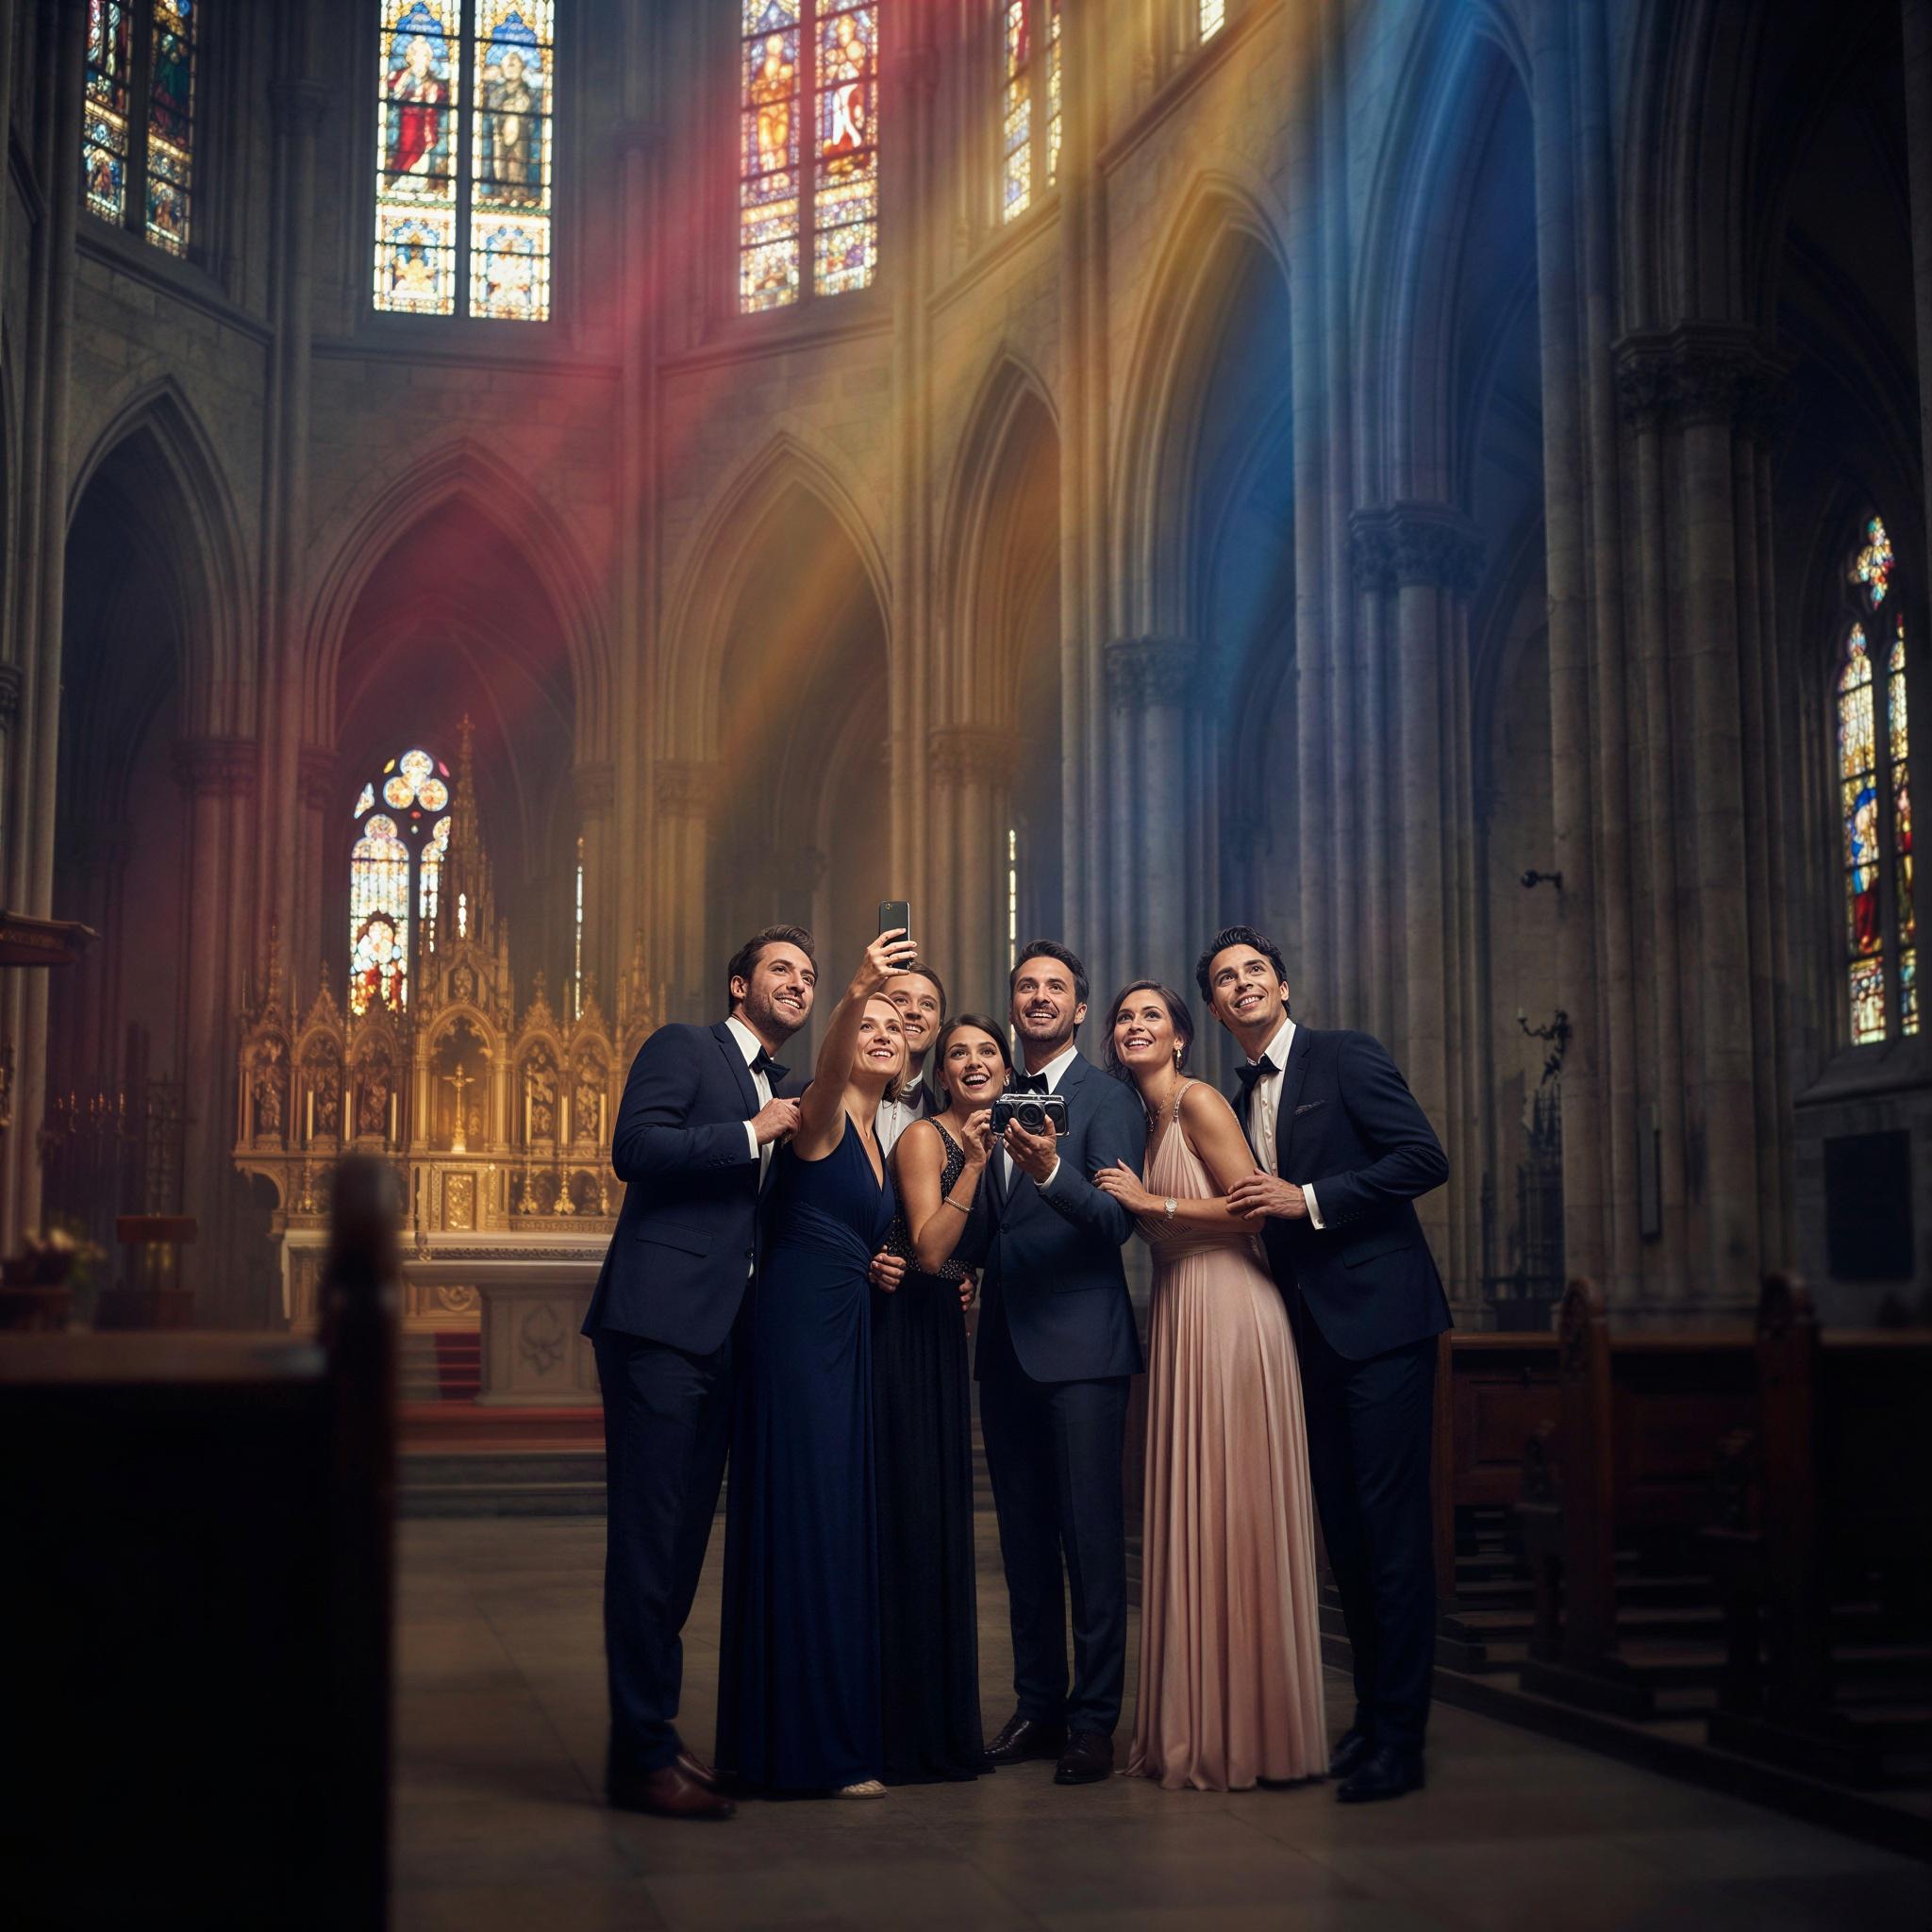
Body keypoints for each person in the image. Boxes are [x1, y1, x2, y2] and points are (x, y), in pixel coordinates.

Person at [1198, 925, 1450, 1804]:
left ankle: (1401, 1741)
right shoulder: (1234, 1095)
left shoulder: (1345, 1056)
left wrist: (1303, 1200)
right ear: (1217, 1007)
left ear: (1284, 985)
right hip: (1310, 1336)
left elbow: (1423, 1158)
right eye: (1225, 980)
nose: (1242, 986)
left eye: (1254, 971)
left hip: (1383, 1326)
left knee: (1389, 1536)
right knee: (1345, 1536)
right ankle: (1373, 1720)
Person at [581, 924, 816, 1822]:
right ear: (737, 985)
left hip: (730, 1337)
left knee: (679, 1552)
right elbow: (633, 1149)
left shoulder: (796, 1088)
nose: (795, 984)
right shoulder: (686, 1048)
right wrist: (748, 1132)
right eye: (780, 970)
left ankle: (648, 1741)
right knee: (650, 1543)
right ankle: (642, 1758)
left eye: (806, 975)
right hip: (660, 1326)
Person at [1092, 982, 1326, 1791]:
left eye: (1151, 1015)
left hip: (1229, 1309)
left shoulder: (1198, 1105)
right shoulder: (1145, 1117)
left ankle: (1252, 1733)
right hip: (1180, 1308)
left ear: (1182, 1037)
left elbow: (1256, 1212)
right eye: (1123, 1017)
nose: (1134, 1026)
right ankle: (1199, 1721)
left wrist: (1148, 1198)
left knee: (1234, 1508)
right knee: (1199, 1510)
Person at [716, 927, 918, 1799]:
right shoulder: (821, 1110)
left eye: (894, 1026)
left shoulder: (882, 1141)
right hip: (798, 1334)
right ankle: (813, 1751)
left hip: (848, 1331)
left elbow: (864, 1230)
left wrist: (884, 1261)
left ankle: (799, 1732)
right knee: (811, 1519)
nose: (882, 1033)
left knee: (837, 1523)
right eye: (866, 1023)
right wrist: (853, 992)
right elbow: (830, 1071)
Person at [966, 942, 1145, 1788]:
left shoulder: (1107, 1096)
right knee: (1025, 1543)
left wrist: (1049, 1174)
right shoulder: (995, 1096)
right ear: (1015, 1006)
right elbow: (986, 1226)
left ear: (1079, 1011)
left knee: (1090, 1541)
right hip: (1003, 1347)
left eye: (1056, 990)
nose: (1039, 998)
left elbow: (1117, 1222)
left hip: (1081, 1351)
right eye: (1026, 987)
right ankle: (1037, 1705)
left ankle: (1093, 1720)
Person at [871, 1014, 1009, 1785]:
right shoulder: (929, 1140)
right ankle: (905, 1729)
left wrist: (974, 1278)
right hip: (905, 1343)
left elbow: (973, 1252)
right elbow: (927, 1247)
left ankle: (943, 1724)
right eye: (958, 1053)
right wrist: (977, 1164)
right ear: (943, 1071)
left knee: (942, 1521)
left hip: (944, 1343)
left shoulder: (999, 1143)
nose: (973, 1061)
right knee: (914, 1517)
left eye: (987, 1050)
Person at [876, 960, 945, 1156]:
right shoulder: (837, 1097)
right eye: (900, 1000)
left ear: (939, 1029)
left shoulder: (942, 1113)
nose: (914, 1012)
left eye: (927, 1004)